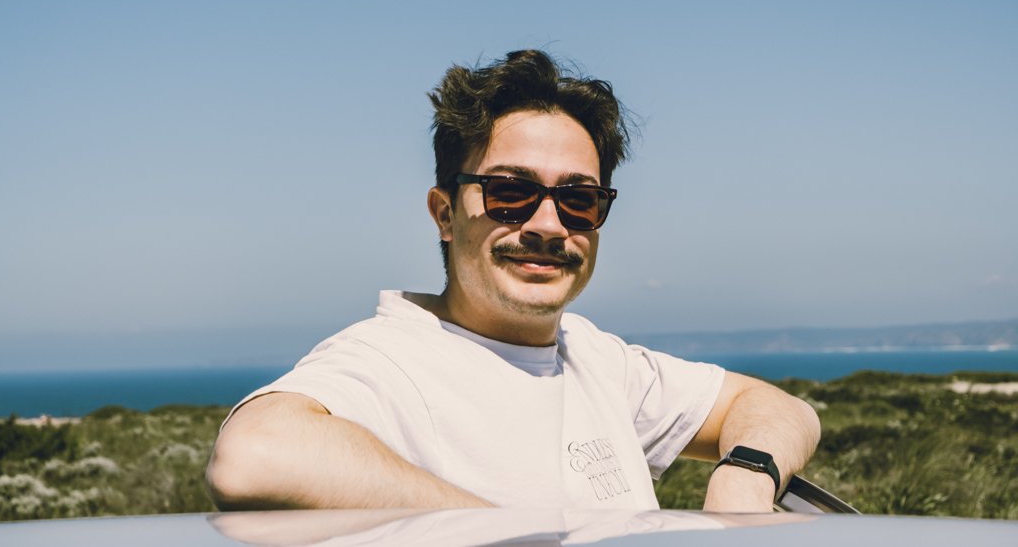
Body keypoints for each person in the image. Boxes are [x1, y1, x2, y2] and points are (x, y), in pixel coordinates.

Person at [206, 50, 820, 512]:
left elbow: (775, 408)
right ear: (446, 214)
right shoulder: (392, 359)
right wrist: (502, 534)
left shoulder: (595, 359)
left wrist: (746, 475)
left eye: (578, 198)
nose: (549, 224)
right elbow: (254, 454)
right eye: (510, 192)